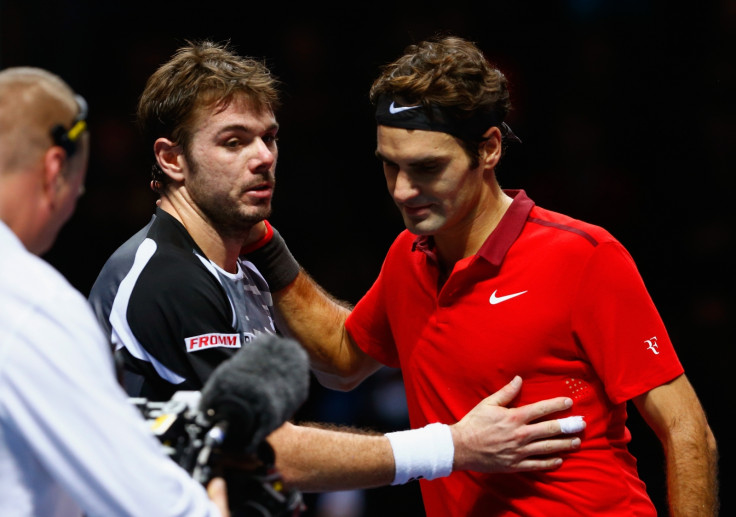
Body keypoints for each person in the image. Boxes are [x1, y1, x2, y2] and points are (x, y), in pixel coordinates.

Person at [244, 36, 720, 516]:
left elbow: (686, 428)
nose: (404, 191)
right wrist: (262, 242)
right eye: (390, 167)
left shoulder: (585, 255)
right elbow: (342, 359)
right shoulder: (407, 256)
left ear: (489, 149)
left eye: (427, 168)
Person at [88, 40, 586, 495]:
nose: (263, 157)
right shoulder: (166, 279)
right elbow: (266, 447)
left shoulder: (245, 266)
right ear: (171, 159)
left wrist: (270, 252)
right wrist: (451, 446)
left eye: (270, 137)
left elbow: (339, 364)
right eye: (234, 141)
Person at [0, 67, 229, 516]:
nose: (79, 193)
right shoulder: (32, 304)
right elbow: (152, 505)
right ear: (53, 170)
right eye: (78, 180)